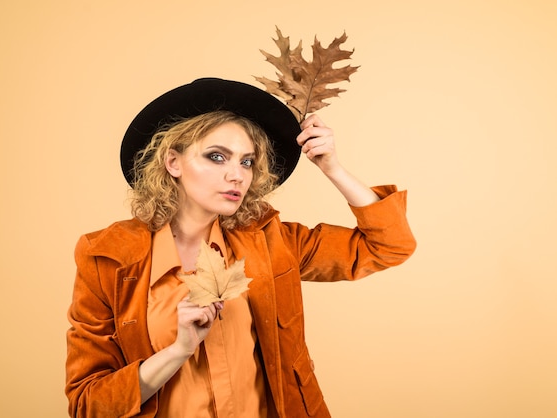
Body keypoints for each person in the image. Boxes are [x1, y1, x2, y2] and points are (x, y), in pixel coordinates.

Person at [65, 78, 416, 418]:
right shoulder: (106, 258)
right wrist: (177, 351)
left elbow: (389, 245)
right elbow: (88, 405)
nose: (237, 175)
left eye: (246, 162)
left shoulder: (270, 240)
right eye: (217, 157)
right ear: (173, 162)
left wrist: (332, 167)